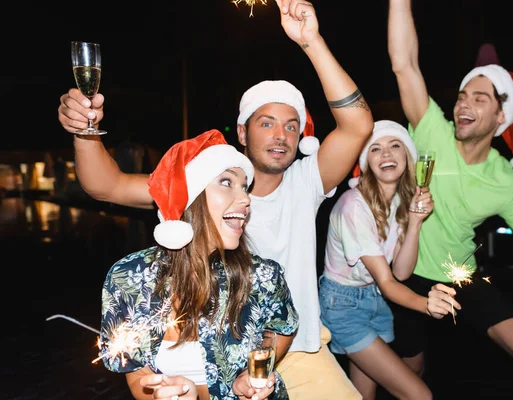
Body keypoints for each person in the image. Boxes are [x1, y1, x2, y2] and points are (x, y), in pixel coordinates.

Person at [58, 1, 373, 398]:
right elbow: (106, 185)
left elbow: (359, 124)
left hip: (296, 349)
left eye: (292, 126)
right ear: (241, 133)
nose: (281, 134)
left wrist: (311, 41)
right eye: (267, 123)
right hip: (211, 359)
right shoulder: (202, 181)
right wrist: (84, 130)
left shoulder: (307, 180)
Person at [386, 1, 513, 398]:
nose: (464, 103)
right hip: (404, 272)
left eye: (479, 98)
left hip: (458, 275)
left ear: (503, 116)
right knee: (412, 380)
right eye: (463, 94)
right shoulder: (431, 128)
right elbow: (404, 64)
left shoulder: (507, 182)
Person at [99, 129, 299, 400]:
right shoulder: (129, 278)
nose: (246, 199)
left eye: (244, 186)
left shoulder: (262, 276)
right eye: (227, 182)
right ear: (189, 197)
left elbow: (283, 328)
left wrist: (253, 373)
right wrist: (162, 395)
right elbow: (136, 373)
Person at [318, 120, 459, 400]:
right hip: (344, 306)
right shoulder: (353, 207)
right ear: (366, 162)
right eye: (375, 149)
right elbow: (387, 280)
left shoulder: (398, 202)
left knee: (363, 396)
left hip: (375, 300)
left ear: (407, 156)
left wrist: (416, 222)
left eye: (395, 146)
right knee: (419, 394)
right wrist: (424, 305)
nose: (386, 154)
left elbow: (402, 272)